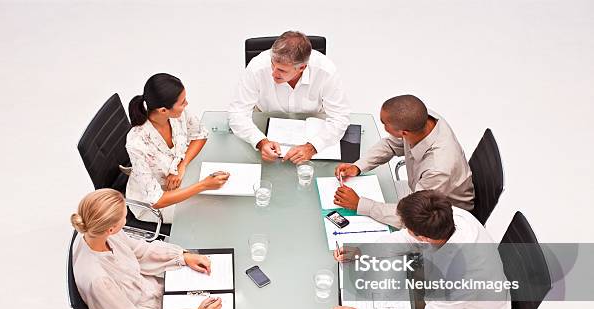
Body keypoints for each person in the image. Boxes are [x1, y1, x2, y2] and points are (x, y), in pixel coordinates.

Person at [331, 190, 511, 309]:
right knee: (384, 283)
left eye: (409, 228)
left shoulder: (453, 277)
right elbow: (407, 239)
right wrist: (363, 251)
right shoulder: (452, 216)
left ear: (425, 237)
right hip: (457, 300)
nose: (406, 231)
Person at [71, 188, 223, 309]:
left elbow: (140, 251)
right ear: (111, 228)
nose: (126, 219)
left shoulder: (97, 233)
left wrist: (182, 256)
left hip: (148, 294)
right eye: (124, 216)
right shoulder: (99, 280)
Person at [333, 95, 473, 227]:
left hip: (442, 218)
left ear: (404, 133)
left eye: (385, 124)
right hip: (424, 192)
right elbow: (390, 145)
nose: (384, 128)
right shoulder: (420, 119)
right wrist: (357, 167)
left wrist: (360, 204)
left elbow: (412, 216)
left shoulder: (439, 168)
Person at [228, 31, 350, 163]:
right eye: (272, 65)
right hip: (264, 123)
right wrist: (260, 142)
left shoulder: (326, 70)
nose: (273, 73)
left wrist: (313, 147)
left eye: (281, 70)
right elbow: (237, 113)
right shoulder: (257, 67)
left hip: (313, 126)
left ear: (302, 67)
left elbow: (340, 117)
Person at [127, 73, 229, 223]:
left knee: (224, 199)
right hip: (154, 206)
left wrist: (182, 165)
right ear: (163, 110)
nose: (186, 104)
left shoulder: (175, 114)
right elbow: (156, 200)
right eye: (182, 102)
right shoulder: (137, 143)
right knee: (215, 210)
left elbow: (200, 134)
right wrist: (203, 185)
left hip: (182, 181)